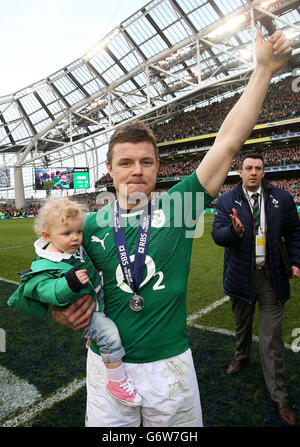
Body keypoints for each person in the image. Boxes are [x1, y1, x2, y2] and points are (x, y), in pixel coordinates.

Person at [52, 29, 292, 427]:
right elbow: (56, 289)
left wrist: (263, 70)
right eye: (126, 162)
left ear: (157, 168)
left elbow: (229, 144)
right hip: (108, 368)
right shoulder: (87, 226)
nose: (136, 171)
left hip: (170, 369)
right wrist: (64, 314)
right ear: (109, 170)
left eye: (146, 162)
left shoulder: (178, 207)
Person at [8, 197, 142, 407]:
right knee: (110, 336)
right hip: (87, 312)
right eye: (67, 234)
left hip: (97, 297)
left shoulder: (69, 248)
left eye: (78, 232)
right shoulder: (45, 263)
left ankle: (93, 338)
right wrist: (68, 283)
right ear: (47, 235)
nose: (75, 238)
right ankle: (117, 382)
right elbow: (47, 291)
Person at [211, 152, 300, 426]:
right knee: (242, 324)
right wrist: (235, 231)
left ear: (263, 172)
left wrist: (296, 261)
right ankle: (241, 357)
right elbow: (218, 235)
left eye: (258, 168)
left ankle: (280, 397)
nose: (253, 172)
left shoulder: (281, 199)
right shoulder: (227, 201)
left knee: (271, 337)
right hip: (241, 276)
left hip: (272, 276)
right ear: (240, 171)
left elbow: (295, 233)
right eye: (248, 168)